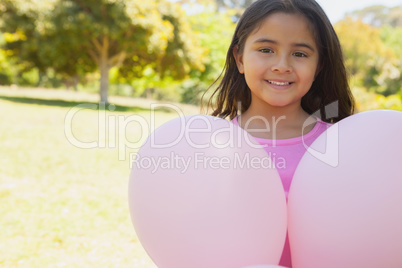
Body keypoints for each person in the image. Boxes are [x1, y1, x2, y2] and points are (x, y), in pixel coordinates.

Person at [205, 0, 355, 267]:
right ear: (240, 58)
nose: (282, 65)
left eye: (300, 54)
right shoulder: (213, 145)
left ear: (318, 66)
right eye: (266, 49)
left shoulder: (343, 145)